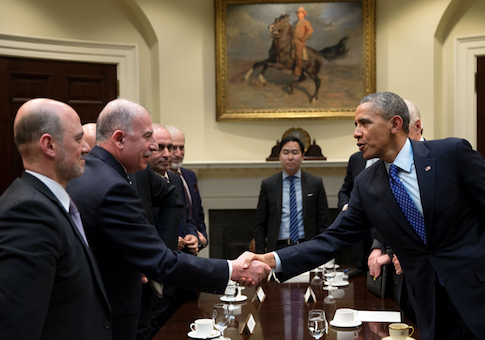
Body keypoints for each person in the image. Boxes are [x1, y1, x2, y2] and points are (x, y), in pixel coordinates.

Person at [245, 92, 485, 340]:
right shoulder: (366, 185)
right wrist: (271, 260)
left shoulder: (451, 154)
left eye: (365, 123)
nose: (356, 133)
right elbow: (331, 240)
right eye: (355, 125)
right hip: (429, 305)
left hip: (477, 290)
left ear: (395, 124)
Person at [66, 99, 271, 340]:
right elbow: (162, 261)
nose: (152, 147)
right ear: (119, 139)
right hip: (110, 317)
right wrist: (231, 269)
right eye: (146, 137)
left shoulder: (85, 172)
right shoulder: (114, 187)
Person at [0, 98, 111, 339]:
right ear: (49, 145)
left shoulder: (49, 202)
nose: (86, 148)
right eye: (78, 138)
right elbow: (18, 327)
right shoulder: (29, 213)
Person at [253, 136, 330, 253]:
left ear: (302, 156)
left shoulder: (315, 183)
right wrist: (260, 256)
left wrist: (323, 250)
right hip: (278, 247)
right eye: (285, 152)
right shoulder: (268, 184)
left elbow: (323, 221)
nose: (290, 157)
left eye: (295, 152)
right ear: (279, 156)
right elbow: (260, 224)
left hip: (307, 245)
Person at [166, 125, 208, 250]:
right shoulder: (160, 179)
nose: (178, 153)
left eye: (181, 147)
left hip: (193, 246)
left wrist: (202, 238)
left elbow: (198, 213)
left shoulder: (190, 176)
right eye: (173, 148)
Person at [292, 7, 314, 76]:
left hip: (300, 41)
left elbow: (310, 31)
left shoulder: (306, 22)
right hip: (293, 40)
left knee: (298, 52)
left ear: (303, 14)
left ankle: (298, 70)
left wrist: (304, 38)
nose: (298, 14)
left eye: (300, 13)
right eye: (298, 13)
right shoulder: (294, 23)